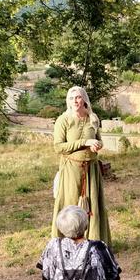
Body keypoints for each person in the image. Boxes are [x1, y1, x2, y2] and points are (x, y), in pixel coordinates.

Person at [50, 86, 111, 247]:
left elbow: (99, 139)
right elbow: (58, 147)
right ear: (67, 101)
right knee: (70, 205)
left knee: (93, 206)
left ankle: (94, 242)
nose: (75, 101)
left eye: (77, 97)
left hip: (91, 169)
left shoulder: (92, 117)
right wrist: (84, 142)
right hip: (71, 169)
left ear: (83, 98)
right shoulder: (64, 120)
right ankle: (66, 244)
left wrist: (96, 146)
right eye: (71, 98)